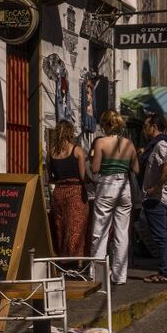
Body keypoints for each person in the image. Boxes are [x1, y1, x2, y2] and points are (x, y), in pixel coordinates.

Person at [87, 109, 139, 285]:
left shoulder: (101, 142)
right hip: (124, 188)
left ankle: (98, 276)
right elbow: (136, 169)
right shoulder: (129, 144)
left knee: (100, 232)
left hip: (107, 186)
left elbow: (94, 169)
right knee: (122, 233)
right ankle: (119, 276)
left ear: (105, 125)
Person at [139, 113, 167, 283]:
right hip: (153, 197)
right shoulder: (155, 146)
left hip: (157, 198)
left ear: (154, 127)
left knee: (161, 235)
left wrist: (156, 187)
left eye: (146, 126)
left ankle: (166, 272)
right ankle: (165, 270)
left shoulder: (161, 144)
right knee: (158, 234)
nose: (144, 130)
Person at [45, 120, 90, 256]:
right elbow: (83, 176)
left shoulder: (51, 153)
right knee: (77, 228)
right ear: (70, 133)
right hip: (76, 192)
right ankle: (78, 260)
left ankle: (62, 259)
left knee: (61, 227)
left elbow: (50, 177)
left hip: (58, 193)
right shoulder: (77, 151)